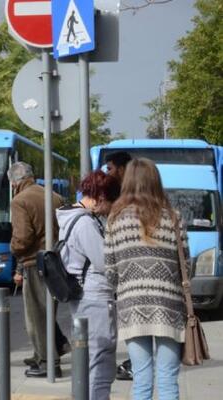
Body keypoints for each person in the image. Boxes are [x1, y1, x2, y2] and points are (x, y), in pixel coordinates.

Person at [105, 158, 187, 400]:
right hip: (168, 307)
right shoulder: (173, 217)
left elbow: (109, 269)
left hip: (132, 307)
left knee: (141, 379)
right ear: (155, 181)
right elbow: (186, 266)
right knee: (168, 379)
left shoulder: (115, 219)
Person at [57, 171, 121, 399]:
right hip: (94, 296)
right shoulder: (84, 222)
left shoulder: (71, 217)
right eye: (109, 201)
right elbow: (104, 262)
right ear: (100, 195)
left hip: (84, 296)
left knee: (87, 360)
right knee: (100, 360)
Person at [7, 161, 68, 378]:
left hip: (35, 262)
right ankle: (47, 351)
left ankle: (48, 362)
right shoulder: (54, 196)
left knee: (36, 315)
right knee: (47, 311)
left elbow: (22, 238)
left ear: (14, 182)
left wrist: (13, 249)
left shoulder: (19, 201)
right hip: (55, 261)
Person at [103, 150, 134, 381]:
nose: (108, 173)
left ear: (122, 169)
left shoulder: (128, 198)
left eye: (110, 168)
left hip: (131, 282)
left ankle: (134, 363)